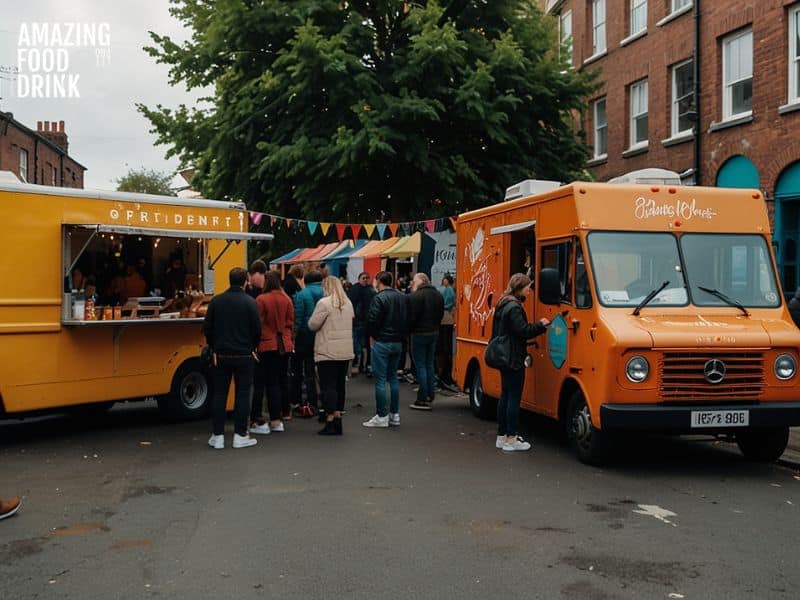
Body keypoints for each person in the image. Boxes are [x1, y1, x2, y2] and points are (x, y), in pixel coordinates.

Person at [490, 273, 550, 452]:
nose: (529, 291)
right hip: (513, 358)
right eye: (527, 288)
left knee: (505, 395)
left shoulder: (502, 304)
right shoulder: (514, 308)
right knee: (513, 398)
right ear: (519, 288)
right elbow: (523, 331)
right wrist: (541, 325)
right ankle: (511, 438)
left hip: (503, 356)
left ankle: (501, 436)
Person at [203, 267, 261, 449]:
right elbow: (257, 330)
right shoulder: (250, 302)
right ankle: (240, 434)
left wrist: (213, 345)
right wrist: (251, 346)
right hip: (244, 354)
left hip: (221, 354)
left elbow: (207, 328)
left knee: (219, 394)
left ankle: (218, 435)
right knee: (243, 394)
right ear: (245, 281)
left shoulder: (216, 301)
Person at [308, 276, 355, 435]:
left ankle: (329, 419)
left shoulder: (324, 303)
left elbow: (313, 324)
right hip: (345, 350)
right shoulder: (348, 303)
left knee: (328, 386)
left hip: (327, 350)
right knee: (340, 385)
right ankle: (338, 417)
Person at [363, 271, 408, 428]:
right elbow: (407, 319)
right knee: (393, 378)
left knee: (380, 380)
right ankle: (394, 414)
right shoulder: (402, 297)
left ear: (378, 281)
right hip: (397, 341)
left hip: (382, 341)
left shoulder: (379, 298)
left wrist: (374, 336)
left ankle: (381, 415)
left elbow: (372, 320)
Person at [252, 271, 294, 435]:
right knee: (277, 382)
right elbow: (291, 322)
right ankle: (277, 420)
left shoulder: (261, 299)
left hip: (266, 344)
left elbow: (257, 323)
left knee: (261, 383)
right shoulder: (286, 299)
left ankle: (257, 418)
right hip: (284, 344)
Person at [408, 273, 444, 411]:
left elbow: (412, 317)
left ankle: (422, 398)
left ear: (422, 281)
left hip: (419, 333)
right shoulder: (438, 295)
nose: (413, 283)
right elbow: (440, 314)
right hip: (433, 332)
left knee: (421, 365)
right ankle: (430, 393)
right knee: (429, 364)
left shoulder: (416, 296)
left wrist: (409, 330)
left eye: (414, 281)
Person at [292, 270, 324, 417]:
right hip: (323, 336)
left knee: (301, 369)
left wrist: (294, 336)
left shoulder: (302, 295)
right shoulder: (328, 293)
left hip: (305, 336)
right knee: (319, 370)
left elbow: (298, 318)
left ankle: (301, 400)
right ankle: (320, 401)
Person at [348, 272, 376, 376]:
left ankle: (361, 365)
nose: (365, 280)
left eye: (367, 278)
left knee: (362, 344)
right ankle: (361, 365)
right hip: (360, 321)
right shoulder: (365, 290)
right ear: (359, 279)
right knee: (360, 344)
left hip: (363, 321)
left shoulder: (368, 290)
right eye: (363, 278)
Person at [437, 274, 457, 389]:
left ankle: (443, 373)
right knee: (447, 347)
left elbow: (448, 304)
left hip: (445, 318)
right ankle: (445, 374)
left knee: (444, 347)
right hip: (448, 318)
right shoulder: (450, 290)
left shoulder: (446, 290)